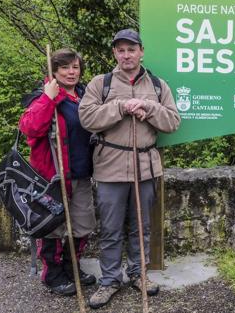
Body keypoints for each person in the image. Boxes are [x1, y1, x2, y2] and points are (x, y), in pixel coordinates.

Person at [79, 29, 180, 309]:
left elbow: (172, 121)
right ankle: (110, 280)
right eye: (120, 50)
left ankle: (139, 274)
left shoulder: (158, 85)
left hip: (145, 167)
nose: (126, 55)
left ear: (141, 51)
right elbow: (86, 117)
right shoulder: (102, 84)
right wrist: (121, 107)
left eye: (131, 49)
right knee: (110, 228)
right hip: (110, 166)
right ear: (114, 53)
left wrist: (148, 107)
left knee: (141, 227)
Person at [19, 48, 97, 296]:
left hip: (81, 173)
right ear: (54, 70)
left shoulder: (84, 95)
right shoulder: (43, 96)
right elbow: (30, 128)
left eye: (75, 67)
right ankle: (52, 273)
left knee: (82, 225)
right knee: (52, 226)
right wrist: (48, 98)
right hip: (51, 176)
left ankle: (71, 267)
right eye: (65, 67)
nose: (71, 72)